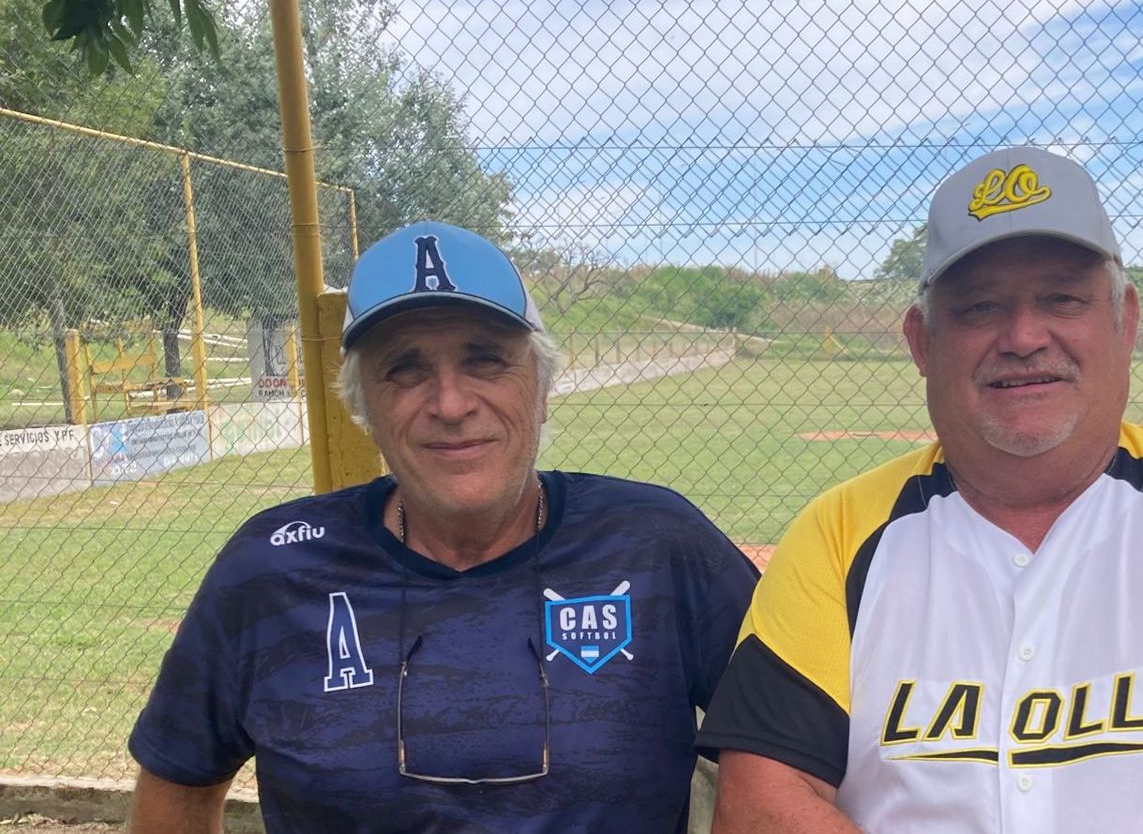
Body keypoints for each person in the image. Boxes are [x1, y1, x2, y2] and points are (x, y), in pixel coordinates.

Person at [699, 147, 1143, 832]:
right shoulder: (838, 532)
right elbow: (760, 805)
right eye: (978, 308)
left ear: (1125, 321)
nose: (1024, 336)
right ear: (922, 341)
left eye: (1062, 299)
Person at [128, 220, 758, 833]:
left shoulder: (657, 544)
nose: (451, 404)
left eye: (485, 360)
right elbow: (178, 784)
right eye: (405, 369)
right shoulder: (271, 567)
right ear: (361, 406)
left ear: (541, 388)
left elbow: (792, 755)